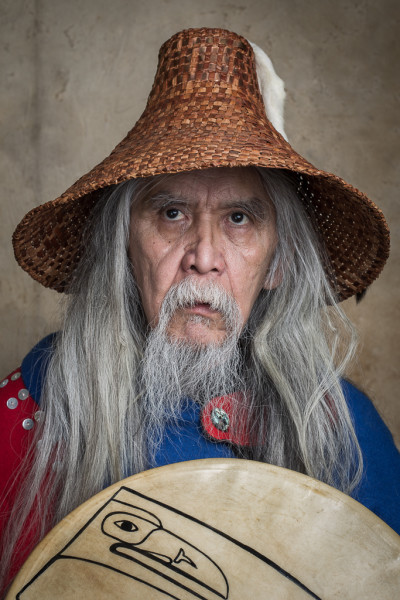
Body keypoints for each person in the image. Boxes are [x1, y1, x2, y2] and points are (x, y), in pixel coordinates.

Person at [1, 27, 399, 591]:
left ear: (277, 264)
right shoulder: (28, 416)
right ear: (123, 252)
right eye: (171, 213)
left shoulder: (346, 432)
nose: (204, 258)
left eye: (239, 219)